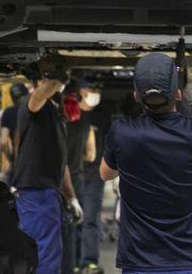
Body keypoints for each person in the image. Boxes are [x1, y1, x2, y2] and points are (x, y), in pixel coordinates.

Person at [100, 54, 192, 274]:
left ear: (136, 95)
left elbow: (105, 174)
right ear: (179, 94)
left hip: (141, 263)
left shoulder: (123, 132)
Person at [11, 78, 82, 274]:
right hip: (36, 193)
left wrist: (72, 197)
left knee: (50, 253)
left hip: (48, 194)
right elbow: (38, 97)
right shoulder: (33, 106)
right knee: (42, 254)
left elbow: (62, 165)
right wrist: (57, 80)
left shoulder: (56, 122)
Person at [76, 84, 109, 274]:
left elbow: (108, 143)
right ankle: (74, 260)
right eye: (91, 90)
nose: (95, 94)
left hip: (95, 174)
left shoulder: (102, 116)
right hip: (74, 173)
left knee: (90, 219)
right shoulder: (71, 113)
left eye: (97, 90)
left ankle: (89, 262)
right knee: (74, 219)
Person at [61, 81, 93, 274]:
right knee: (76, 225)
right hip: (77, 179)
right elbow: (91, 154)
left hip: (58, 182)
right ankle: (75, 266)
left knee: (58, 228)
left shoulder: (58, 121)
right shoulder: (85, 122)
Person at [0, 83, 30, 184]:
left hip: (18, 162)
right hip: (35, 164)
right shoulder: (34, 110)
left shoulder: (8, 112)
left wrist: (11, 158)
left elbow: (3, 143)